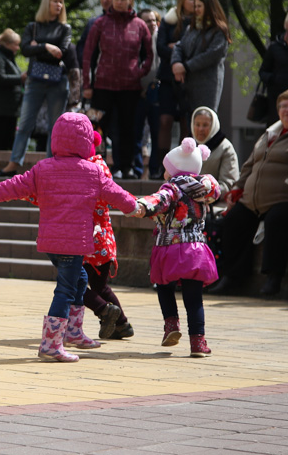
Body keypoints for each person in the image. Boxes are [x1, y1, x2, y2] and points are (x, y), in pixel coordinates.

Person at [0, 112, 140, 363]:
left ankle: (73, 331)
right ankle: (51, 344)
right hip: (74, 244)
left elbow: (10, 187)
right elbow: (117, 194)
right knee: (66, 290)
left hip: (51, 242)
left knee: (81, 279)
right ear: (85, 141)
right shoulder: (93, 171)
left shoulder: (42, 168)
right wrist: (136, 208)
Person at [211, 89, 288, 296]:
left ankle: (273, 279)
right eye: (283, 106)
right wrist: (236, 189)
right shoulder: (269, 132)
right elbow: (249, 165)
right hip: (252, 199)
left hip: (286, 197)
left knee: (276, 221)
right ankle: (233, 277)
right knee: (234, 219)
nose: (287, 110)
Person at [134, 138, 220, 356]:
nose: (164, 173)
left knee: (163, 285)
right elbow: (216, 192)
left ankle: (171, 324)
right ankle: (198, 343)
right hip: (196, 249)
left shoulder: (172, 187)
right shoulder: (204, 188)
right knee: (194, 297)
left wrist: (141, 205)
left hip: (169, 247)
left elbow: (159, 200)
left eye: (166, 169)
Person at [0, 0, 71, 177]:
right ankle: (13, 164)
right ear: (46, 4)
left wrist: (39, 47)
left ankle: (53, 165)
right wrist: (46, 47)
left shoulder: (65, 28)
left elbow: (63, 52)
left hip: (57, 82)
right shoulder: (33, 27)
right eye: (55, 1)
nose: (58, 5)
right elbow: (26, 50)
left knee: (56, 126)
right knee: (25, 124)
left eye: (60, 2)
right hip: (35, 81)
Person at [82, 0, 153, 179]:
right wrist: (87, 85)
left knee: (127, 127)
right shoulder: (100, 23)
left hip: (129, 87)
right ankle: (95, 165)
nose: (120, 2)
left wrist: (139, 72)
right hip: (102, 85)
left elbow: (149, 54)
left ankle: (126, 167)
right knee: (97, 126)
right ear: (111, 0)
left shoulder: (139, 25)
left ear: (131, 1)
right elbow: (88, 55)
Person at [81, 131, 134, 340]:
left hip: (86, 237)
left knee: (72, 282)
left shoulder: (85, 170)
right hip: (104, 238)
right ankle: (122, 324)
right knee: (100, 285)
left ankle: (105, 310)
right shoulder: (102, 167)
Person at [153, 0, 199, 179]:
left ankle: (183, 169)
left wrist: (178, 49)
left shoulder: (200, 23)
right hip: (166, 78)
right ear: (182, 0)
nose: (194, 3)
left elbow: (196, 50)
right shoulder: (169, 21)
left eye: (197, 0)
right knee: (165, 121)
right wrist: (179, 52)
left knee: (186, 124)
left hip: (190, 79)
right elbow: (161, 47)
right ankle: (160, 167)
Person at [171, 0, 231, 114]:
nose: (196, 9)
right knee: (190, 123)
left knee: (206, 120)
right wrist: (176, 63)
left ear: (209, 7)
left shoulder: (219, 31)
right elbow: (179, 46)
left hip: (207, 85)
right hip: (188, 85)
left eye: (199, 6)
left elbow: (212, 55)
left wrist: (186, 67)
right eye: (195, 6)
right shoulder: (192, 28)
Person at [190, 106, 239, 214]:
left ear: (213, 126)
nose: (200, 129)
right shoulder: (188, 146)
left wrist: (204, 196)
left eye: (205, 125)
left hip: (215, 205)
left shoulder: (225, 147)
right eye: (197, 124)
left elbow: (227, 184)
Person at [0, 28, 26, 150]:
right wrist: (20, 78)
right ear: (7, 44)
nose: (18, 48)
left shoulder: (7, 57)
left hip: (9, 108)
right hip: (0, 108)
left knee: (8, 139)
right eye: (16, 45)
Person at [133, 7, 161, 179]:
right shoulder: (135, 39)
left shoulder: (162, 38)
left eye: (152, 20)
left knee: (157, 133)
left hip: (158, 91)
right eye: (146, 21)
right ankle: (136, 170)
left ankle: (155, 169)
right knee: (136, 133)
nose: (150, 24)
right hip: (138, 92)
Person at [76, 0, 116, 77]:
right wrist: (87, 66)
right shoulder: (93, 23)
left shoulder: (129, 23)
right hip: (97, 77)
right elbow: (81, 47)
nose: (104, 0)